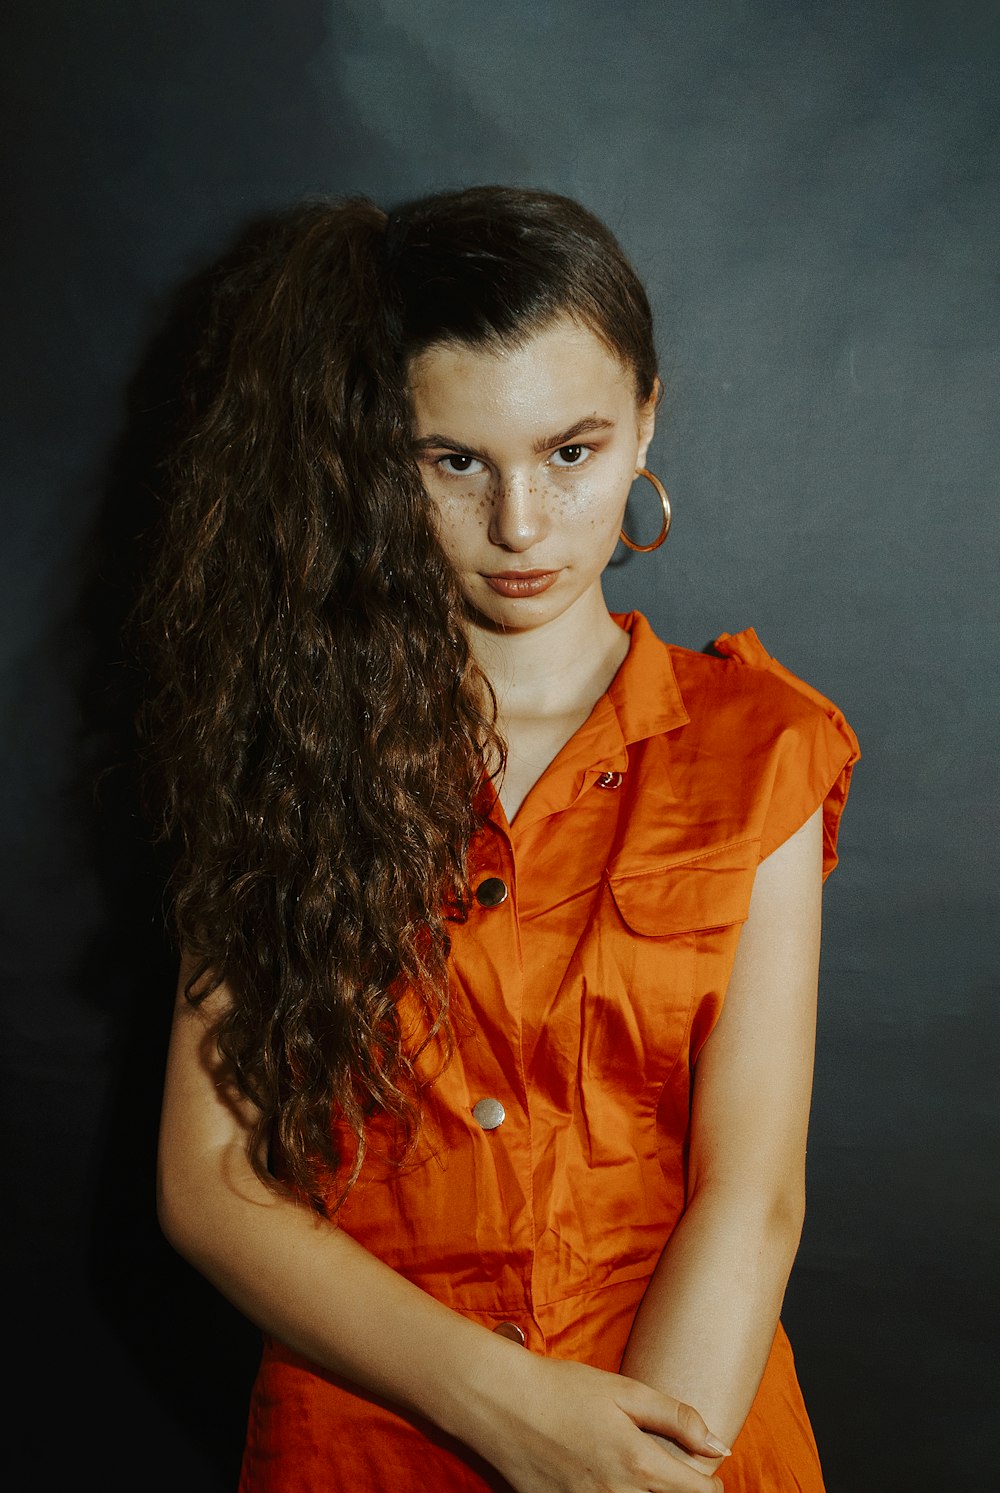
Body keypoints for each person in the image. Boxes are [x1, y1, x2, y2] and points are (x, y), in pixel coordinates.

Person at [145, 185, 859, 1492]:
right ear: (378, 452)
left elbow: (752, 1191)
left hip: (684, 1422)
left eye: (571, 451)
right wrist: (514, 1409)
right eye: (454, 459)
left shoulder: (762, 745)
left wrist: (646, 1465)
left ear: (647, 414)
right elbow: (209, 1179)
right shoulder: (281, 748)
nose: (522, 525)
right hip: (361, 1431)